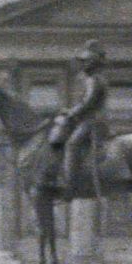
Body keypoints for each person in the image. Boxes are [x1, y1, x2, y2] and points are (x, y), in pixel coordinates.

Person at [46, 40, 109, 198]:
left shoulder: (95, 79)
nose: (84, 64)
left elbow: (88, 102)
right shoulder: (88, 79)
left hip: (93, 121)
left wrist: (72, 113)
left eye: (87, 61)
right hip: (85, 119)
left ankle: (71, 186)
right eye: (83, 61)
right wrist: (69, 111)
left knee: (72, 144)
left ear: (94, 63)